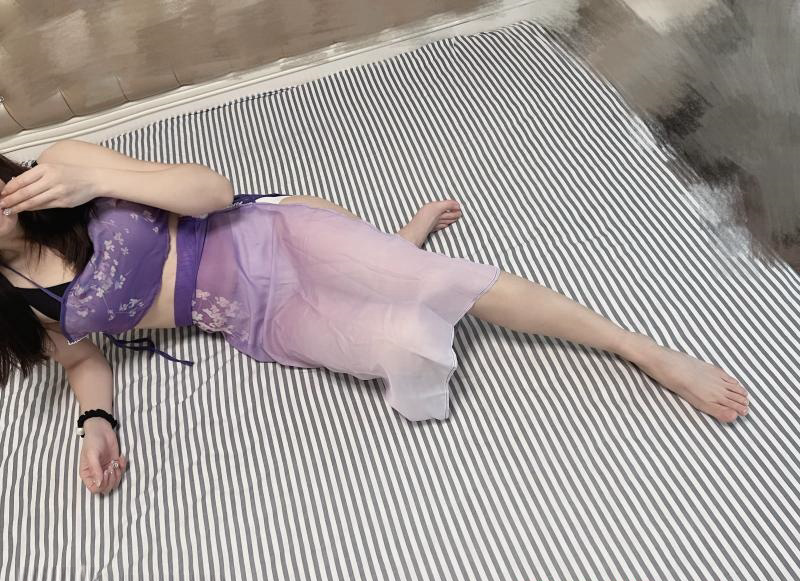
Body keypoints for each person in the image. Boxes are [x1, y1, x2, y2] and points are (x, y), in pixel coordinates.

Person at [0, 140, 750, 496]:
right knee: (405, 348)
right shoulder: (18, 300)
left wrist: (92, 175)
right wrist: (96, 423)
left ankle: (642, 350)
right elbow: (81, 357)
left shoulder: (64, 168)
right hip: (257, 315)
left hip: (271, 235)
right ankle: (394, 246)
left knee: (435, 284)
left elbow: (212, 192)